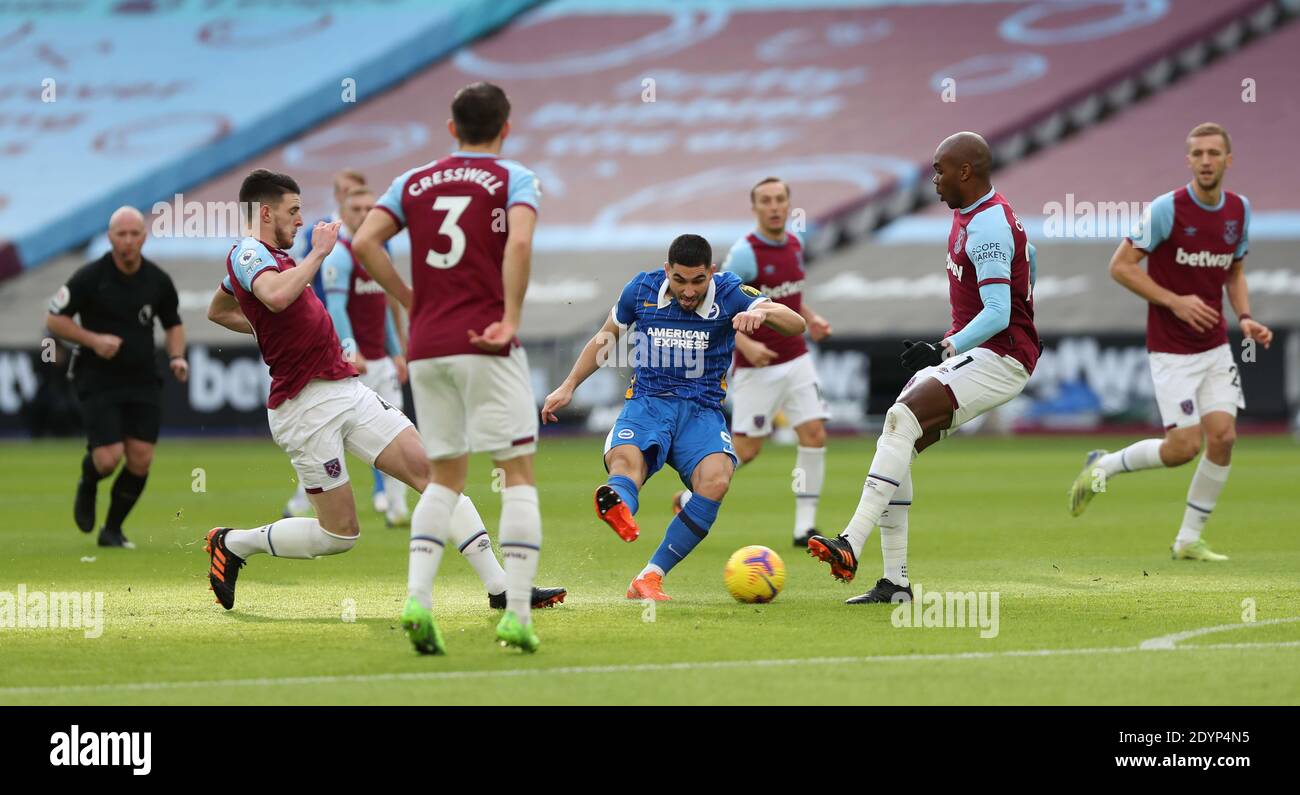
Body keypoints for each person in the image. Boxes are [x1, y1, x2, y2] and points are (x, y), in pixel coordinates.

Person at [204, 169, 448, 655]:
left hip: (342, 388)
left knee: (431, 472)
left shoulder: (273, 257)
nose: (301, 219)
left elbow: (224, 309)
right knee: (340, 537)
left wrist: (266, 326)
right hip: (303, 405)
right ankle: (233, 543)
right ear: (266, 212)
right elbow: (267, 298)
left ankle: (502, 587)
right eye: (293, 211)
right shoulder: (249, 252)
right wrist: (317, 252)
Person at [352, 81, 556, 653]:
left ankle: (419, 599)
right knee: (516, 472)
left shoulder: (411, 181)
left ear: (451, 129)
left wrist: (409, 297)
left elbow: (366, 242)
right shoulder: (515, 177)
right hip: (485, 340)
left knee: (443, 478)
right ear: (505, 128)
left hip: (428, 345)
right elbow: (518, 246)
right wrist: (511, 316)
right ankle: (516, 614)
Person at [806, 131, 1040, 604]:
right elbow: (1028, 256)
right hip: (984, 351)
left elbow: (997, 312)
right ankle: (896, 583)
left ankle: (850, 541)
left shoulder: (988, 225)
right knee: (899, 435)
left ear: (966, 172)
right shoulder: (972, 215)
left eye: (939, 169)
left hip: (1003, 356)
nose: (933, 179)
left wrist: (945, 347)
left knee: (902, 418)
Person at [541, 234, 805, 601]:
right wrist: (569, 385)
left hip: (702, 412)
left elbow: (795, 324)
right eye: (680, 280)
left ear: (711, 272)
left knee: (715, 481)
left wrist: (762, 311)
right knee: (626, 464)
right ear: (668, 271)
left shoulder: (730, 292)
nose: (688, 290)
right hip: (649, 403)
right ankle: (617, 503)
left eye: (698, 281)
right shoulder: (642, 288)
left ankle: (649, 577)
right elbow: (606, 337)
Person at [1068, 122, 1272, 561]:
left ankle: (1187, 540)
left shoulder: (1240, 210)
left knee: (1224, 437)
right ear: (1188, 160)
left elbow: (1234, 270)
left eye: (1213, 153)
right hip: (1172, 350)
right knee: (1183, 449)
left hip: (1215, 346)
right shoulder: (1167, 210)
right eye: (1197, 153)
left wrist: (1247, 318)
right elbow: (1120, 266)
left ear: (1228, 160)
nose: (1205, 161)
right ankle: (1102, 465)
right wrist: (1175, 301)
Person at [673, 177, 833, 546]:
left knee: (814, 434)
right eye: (766, 201)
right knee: (747, 449)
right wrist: (745, 346)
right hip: (757, 369)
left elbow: (786, 297)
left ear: (789, 205)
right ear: (755, 208)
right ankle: (688, 498)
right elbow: (719, 303)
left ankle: (804, 528)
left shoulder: (795, 242)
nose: (774, 206)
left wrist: (812, 315)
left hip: (797, 358)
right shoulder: (745, 252)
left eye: (780, 199)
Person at [47, 206, 188, 549]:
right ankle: (89, 479)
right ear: (110, 238)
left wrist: (177, 356)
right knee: (108, 459)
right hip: (97, 377)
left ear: (144, 236)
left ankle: (112, 530)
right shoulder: (89, 277)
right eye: (120, 234)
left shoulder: (158, 280)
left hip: (142, 378)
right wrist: (94, 340)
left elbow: (173, 322)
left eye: (134, 234)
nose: (127, 241)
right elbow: (55, 319)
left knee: (140, 459)